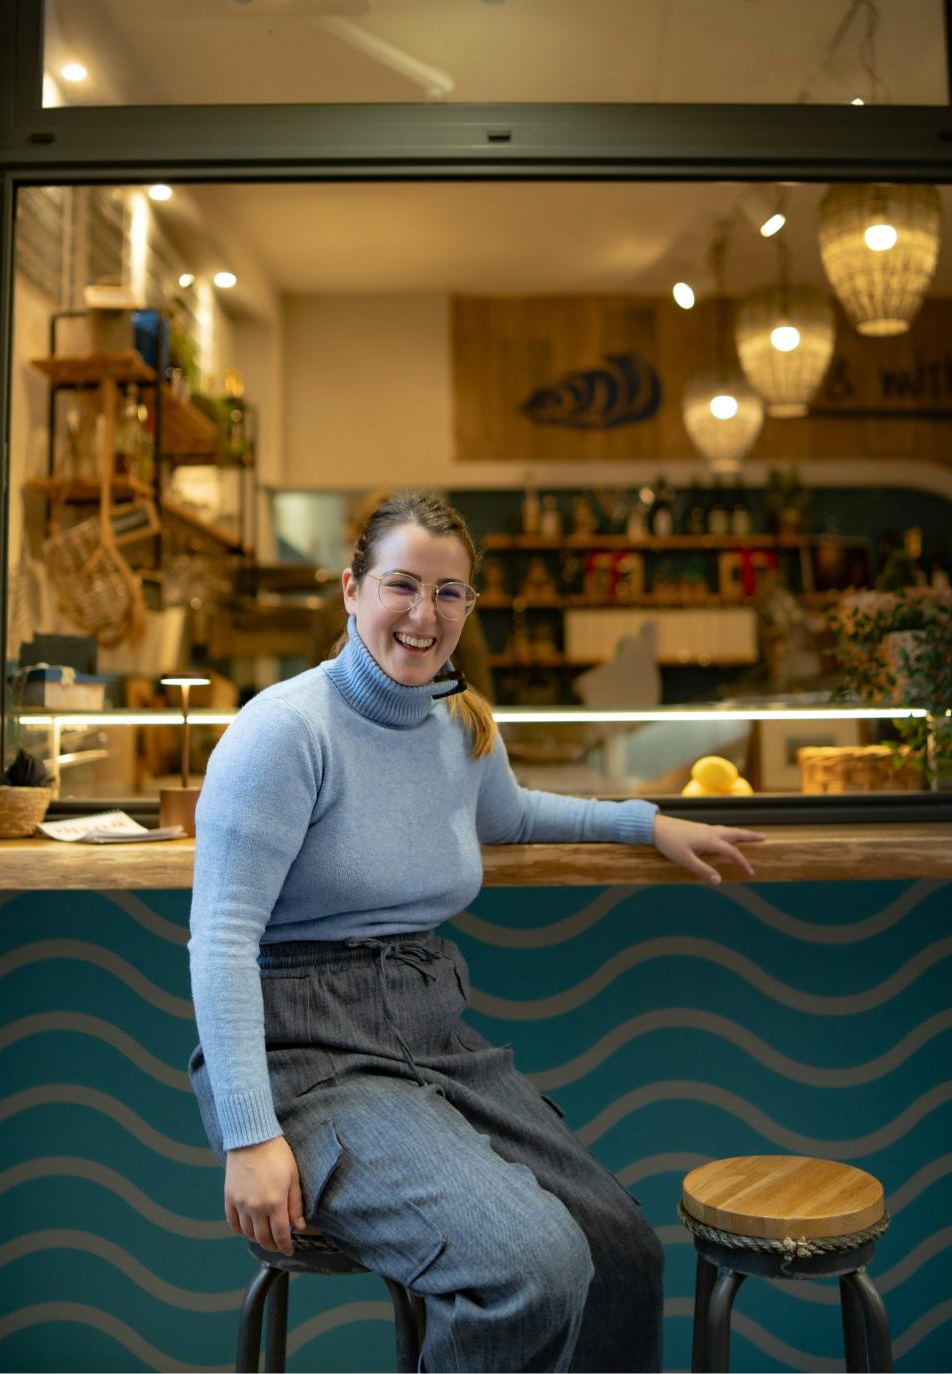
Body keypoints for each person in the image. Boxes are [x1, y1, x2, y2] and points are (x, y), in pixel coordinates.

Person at [188, 491, 764, 1373]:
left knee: (621, 1252)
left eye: (449, 592)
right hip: (304, 1057)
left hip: (431, 1033)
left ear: (469, 606)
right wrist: (249, 1135)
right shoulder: (283, 731)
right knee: (532, 1269)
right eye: (402, 585)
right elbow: (223, 938)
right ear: (351, 589)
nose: (424, 615)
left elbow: (514, 815)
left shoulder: (457, 721)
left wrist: (644, 822)